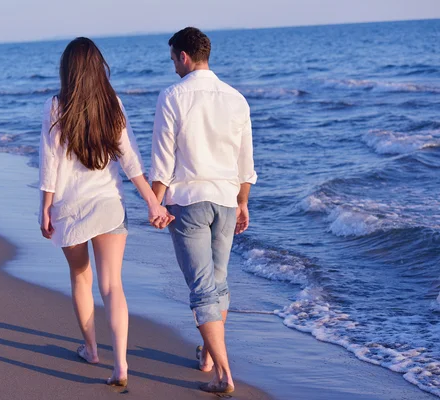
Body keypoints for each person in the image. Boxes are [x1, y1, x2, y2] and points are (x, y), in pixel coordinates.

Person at [38, 37, 173, 387]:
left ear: (68, 70)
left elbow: (50, 163)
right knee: (113, 285)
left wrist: (45, 208)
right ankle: (122, 366)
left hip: (71, 208)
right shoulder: (112, 103)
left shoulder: (57, 105)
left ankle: (91, 349)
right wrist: (152, 202)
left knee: (82, 278)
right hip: (110, 204)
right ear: (99, 68)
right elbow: (130, 160)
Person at [150, 27, 257, 394]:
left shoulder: (173, 96)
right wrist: (243, 202)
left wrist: (155, 201)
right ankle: (209, 357)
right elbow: (246, 163)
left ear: (183, 56)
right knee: (218, 282)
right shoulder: (236, 98)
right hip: (227, 201)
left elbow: (163, 161)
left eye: (173, 60)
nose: (173, 67)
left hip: (189, 201)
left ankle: (223, 376)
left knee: (201, 289)